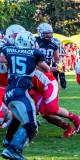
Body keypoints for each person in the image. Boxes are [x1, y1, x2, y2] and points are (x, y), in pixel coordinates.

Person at [1, 31, 50, 160]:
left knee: (26, 123)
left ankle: (10, 145)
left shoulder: (9, 49)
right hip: (21, 92)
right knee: (32, 125)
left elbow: (3, 57)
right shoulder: (34, 53)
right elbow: (47, 69)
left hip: (9, 93)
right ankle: (12, 149)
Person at [31, 69, 80, 137]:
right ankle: (68, 128)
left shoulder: (28, 61)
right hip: (36, 90)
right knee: (45, 114)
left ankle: (74, 117)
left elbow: (43, 66)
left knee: (52, 108)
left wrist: (52, 68)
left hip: (48, 83)